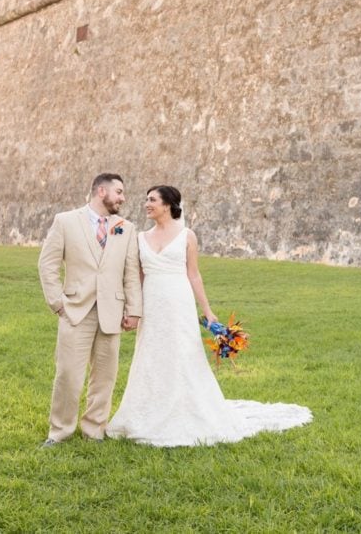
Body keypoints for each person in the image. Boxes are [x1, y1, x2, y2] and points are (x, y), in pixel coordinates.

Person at [106, 185, 311, 447]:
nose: (147, 203)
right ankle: (148, 410)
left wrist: (207, 311)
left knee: (183, 353)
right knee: (151, 353)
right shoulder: (141, 237)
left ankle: (187, 408)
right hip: (152, 303)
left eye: (153, 200)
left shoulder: (187, 236)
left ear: (168, 204)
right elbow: (139, 276)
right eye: (146, 199)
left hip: (178, 301)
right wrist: (133, 308)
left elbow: (194, 274)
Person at [37, 173, 142, 446]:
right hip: (74, 309)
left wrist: (134, 310)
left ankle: (94, 430)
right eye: (118, 191)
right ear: (101, 191)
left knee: (105, 376)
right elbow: (47, 264)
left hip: (112, 311)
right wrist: (57, 302)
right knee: (68, 374)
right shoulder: (65, 221)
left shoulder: (126, 228)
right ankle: (59, 432)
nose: (122, 197)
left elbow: (131, 272)